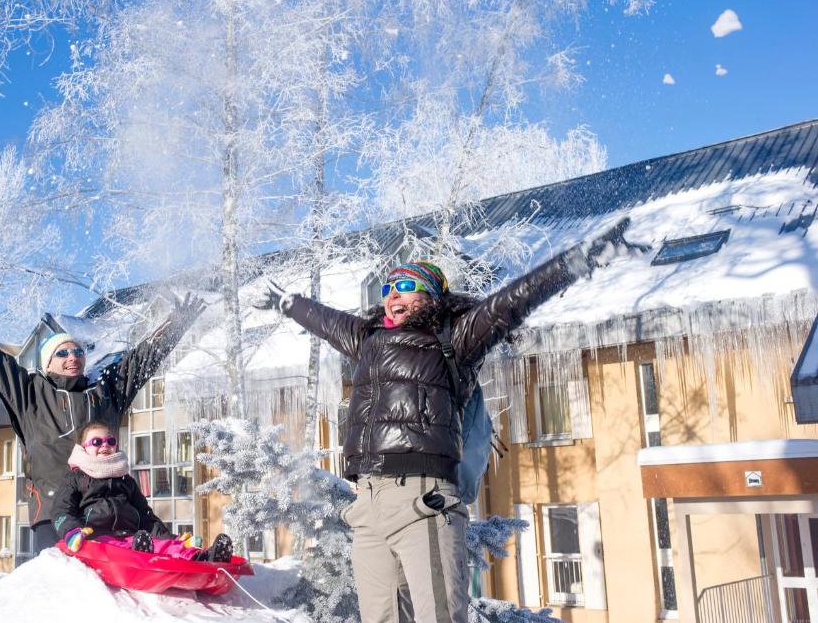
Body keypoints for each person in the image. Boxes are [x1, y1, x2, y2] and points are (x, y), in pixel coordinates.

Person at [253, 218, 647, 623]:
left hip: (423, 500)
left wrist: (580, 259)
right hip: (368, 505)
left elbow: (511, 302)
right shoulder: (368, 339)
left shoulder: (454, 338)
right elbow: (326, 320)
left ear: (432, 295)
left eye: (406, 286)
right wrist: (289, 303)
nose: (393, 296)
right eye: (387, 289)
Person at [0, 274, 205, 551]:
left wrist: (177, 323)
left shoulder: (105, 392)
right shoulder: (28, 394)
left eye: (78, 352)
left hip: (108, 513)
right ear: (47, 363)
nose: (73, 358)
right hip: (54, 514)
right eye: (63, 353)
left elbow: (143, 358)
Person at [52, 421, 233, 562]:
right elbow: (61, 510)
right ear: (84, 448)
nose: (105, 445)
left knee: (161, 545)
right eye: (97, 442)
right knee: (120, 547)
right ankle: (139, 554)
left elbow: (146, 517)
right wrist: (72, 531)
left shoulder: (126, 480)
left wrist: (172, 539)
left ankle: (203, 558)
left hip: (132, 537)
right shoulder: (76, 478)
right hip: (97, 538)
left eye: (110, 441)